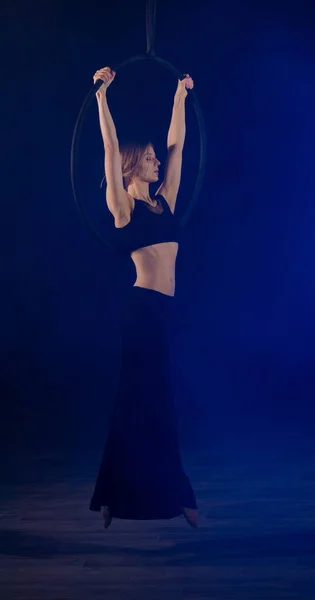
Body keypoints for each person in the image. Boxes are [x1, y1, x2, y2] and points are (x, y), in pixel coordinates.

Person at [89, 66, 198, 530]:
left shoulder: (166, 200)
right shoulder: (124, 207)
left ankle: (114, 495)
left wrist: (180, 95)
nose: (157, 161)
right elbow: (110, 148)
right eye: (150, 158)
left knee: (146, 399)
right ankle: (176, 496)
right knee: (147, 400)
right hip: (141, 313)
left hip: (164, 313)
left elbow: (179, 146)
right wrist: (101, 95)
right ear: (135, 166)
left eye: (156, 158)